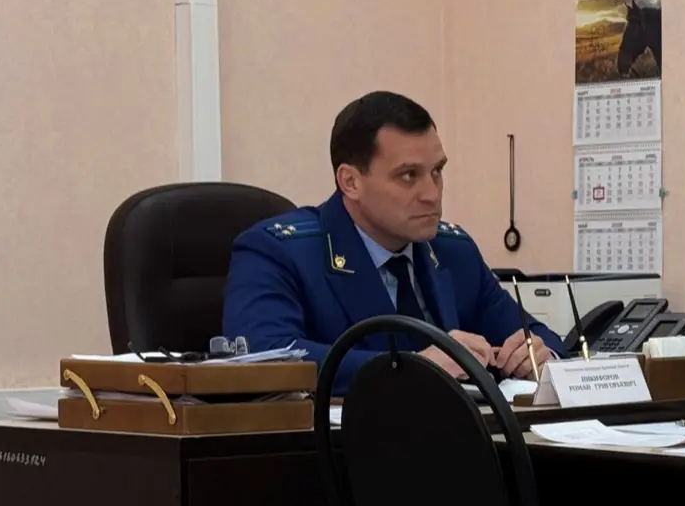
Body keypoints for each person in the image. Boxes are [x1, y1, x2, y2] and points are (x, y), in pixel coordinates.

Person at [223, 91, 564, 388]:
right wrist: (408, 367)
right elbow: (266, 359)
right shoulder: (278, 252)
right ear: (351, 182)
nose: (432, 194)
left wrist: (536, 354)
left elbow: (541, 337)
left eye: (437, 171)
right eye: (408, 175)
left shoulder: (453, 250)